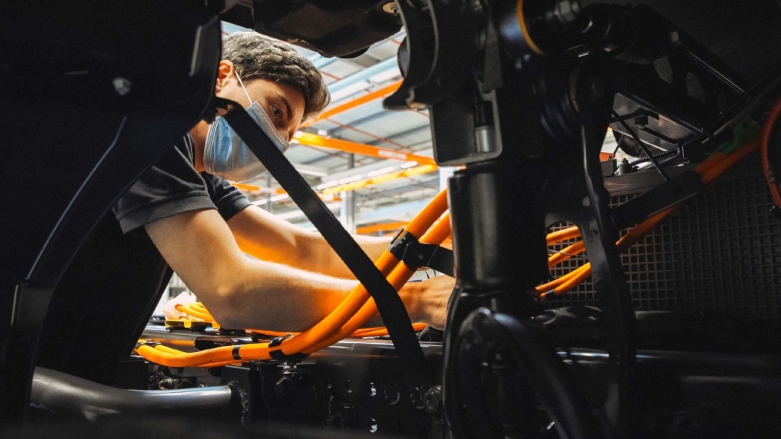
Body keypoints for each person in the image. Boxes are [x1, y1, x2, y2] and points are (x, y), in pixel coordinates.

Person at [112, 32, 453, 333]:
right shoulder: (151, 135)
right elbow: (231, 290)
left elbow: (302, 250)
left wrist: (439, 250)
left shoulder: (201, 178)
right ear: (221, 77)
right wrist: (419, 300)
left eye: (286, 135)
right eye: (276, 112)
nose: (275, 140)